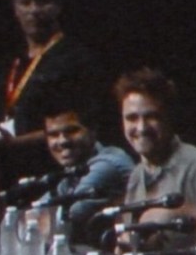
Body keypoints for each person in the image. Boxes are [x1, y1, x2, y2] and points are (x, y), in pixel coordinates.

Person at [0, 0, 104, 185]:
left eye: (42, 1)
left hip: (52, 173)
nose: (33, 10)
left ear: (58, 6)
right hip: (2, 173)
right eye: (25, 2)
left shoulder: (76, 59)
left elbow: (83, 124)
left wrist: (14, 143)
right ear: (15, 9)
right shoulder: (10, 61)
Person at [115, 66, 196, 255]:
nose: (141, 128)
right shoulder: (137, 174)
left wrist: (181, 216)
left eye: (152, 117)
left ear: (169, 117)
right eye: (132, 118)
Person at [37, 103, 134, 246]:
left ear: (93, 131)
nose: (63, 141)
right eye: (53, 135)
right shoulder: (72, 172)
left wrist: (42, 221)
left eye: (72, 131)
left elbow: (70, 218)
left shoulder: (108, 164)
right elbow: (34, 214)